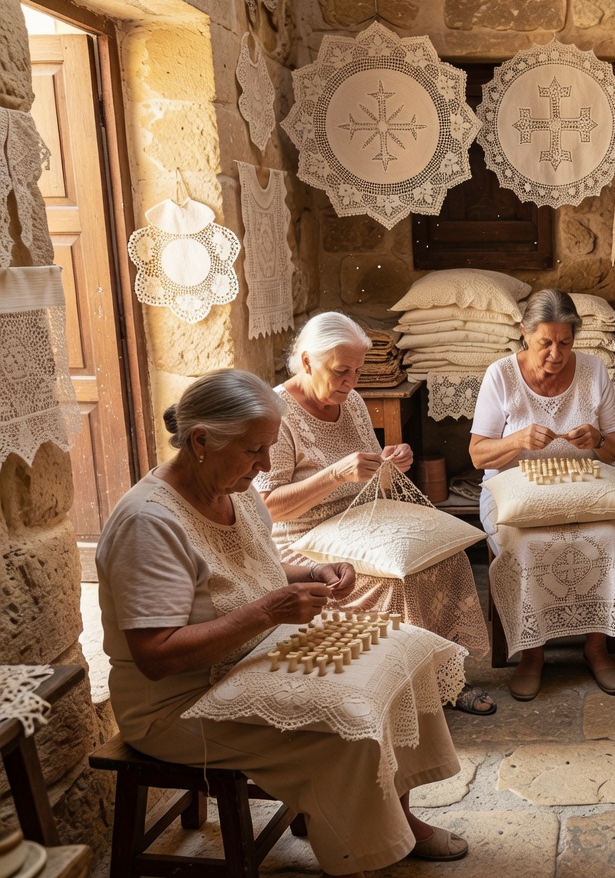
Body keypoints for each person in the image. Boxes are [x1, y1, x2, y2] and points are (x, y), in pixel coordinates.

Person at [96, 369, 468, 878]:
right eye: (255, 451)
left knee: (402, 653)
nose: (267, 465)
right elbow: (156, 656)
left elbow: (255, 567)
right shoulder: (149, 523)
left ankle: (391, 819)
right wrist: (270, 611)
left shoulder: (235, 486)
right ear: (201, 440)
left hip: (253, 656)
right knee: (348, 730)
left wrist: (311, 571)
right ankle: (363, 850)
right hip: (178, 705)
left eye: (269, 448)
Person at [254, 312, 494, 716]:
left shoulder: (352, 401)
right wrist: (334, 475)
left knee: (447, 558)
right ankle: (403, 687)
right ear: (307, 361)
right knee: (395, 581)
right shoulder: (277, 414)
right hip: (304, 543)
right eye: (341, 371)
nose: (351, 382)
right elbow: (268, 508)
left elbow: (370, 478)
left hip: (362, 523)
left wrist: (389, 462)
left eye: (357, 371)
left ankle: (445, 675)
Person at [470, 289, 615, 701]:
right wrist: (517, 439)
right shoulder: (501, 375)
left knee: (610, 537)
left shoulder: (595, 371)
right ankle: (532, 652)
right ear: (525, 334)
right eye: (545, 342)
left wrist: (597, 438)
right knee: (524, 543)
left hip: (583, 489)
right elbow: (476, 454)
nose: (556, 354)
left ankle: (596, 648)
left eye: (565, 342)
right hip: (514, 494)